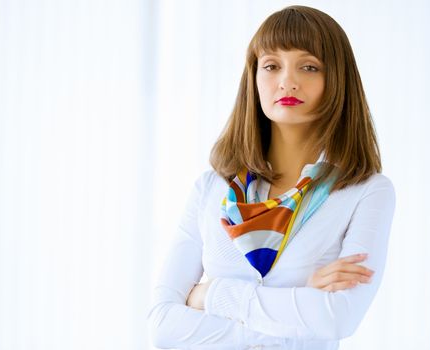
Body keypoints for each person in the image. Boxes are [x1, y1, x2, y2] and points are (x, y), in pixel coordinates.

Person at [147, 5, 395, 350]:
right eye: (271, 66)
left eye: (309, 67)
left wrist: (210, 295)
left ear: (337, 80)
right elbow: (162, 326)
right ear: (254, 78)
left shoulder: (366, 192)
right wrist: (299, 303)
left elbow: (337, 318)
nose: (287, 81)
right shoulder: (212, 187)